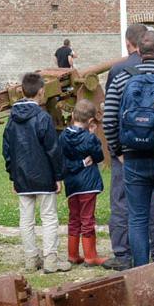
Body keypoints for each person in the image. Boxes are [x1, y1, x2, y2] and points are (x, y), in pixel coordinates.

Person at [104, 27, 154, 267]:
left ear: (138, 49)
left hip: (133, 157)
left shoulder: (122, 77)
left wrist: (117, 151)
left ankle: (139, 270)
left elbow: (109, 119)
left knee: (137, 217)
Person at [3, 72, 68, 273]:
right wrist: (58, 175)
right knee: (49, 217)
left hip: (21, 175)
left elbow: (7, 150)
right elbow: (52, 149)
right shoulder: (43, 118)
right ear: (41, 92)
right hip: (44, 174)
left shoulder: (12, 119)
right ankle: (50, 259)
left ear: (21, 91)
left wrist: (12, 175)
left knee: (26, 218)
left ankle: (31, 258)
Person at [100, 23, 152, 270]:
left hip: (126, 147)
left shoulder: (119, 70)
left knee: (121, 199)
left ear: (128, 43)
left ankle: (123, 253)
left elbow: (110, 113)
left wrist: (115, 149)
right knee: (153, 200)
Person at [58, 99, 106, 267]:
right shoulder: (89, 138)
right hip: (88, 184)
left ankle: (72, 254)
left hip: (72, 184)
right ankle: (90, 256)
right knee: (87, 219)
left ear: (72, 115)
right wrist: (93, 135)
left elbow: (62, 161)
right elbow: (99, 156)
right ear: (91, 121)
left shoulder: (63, 136)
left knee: (74, 218)